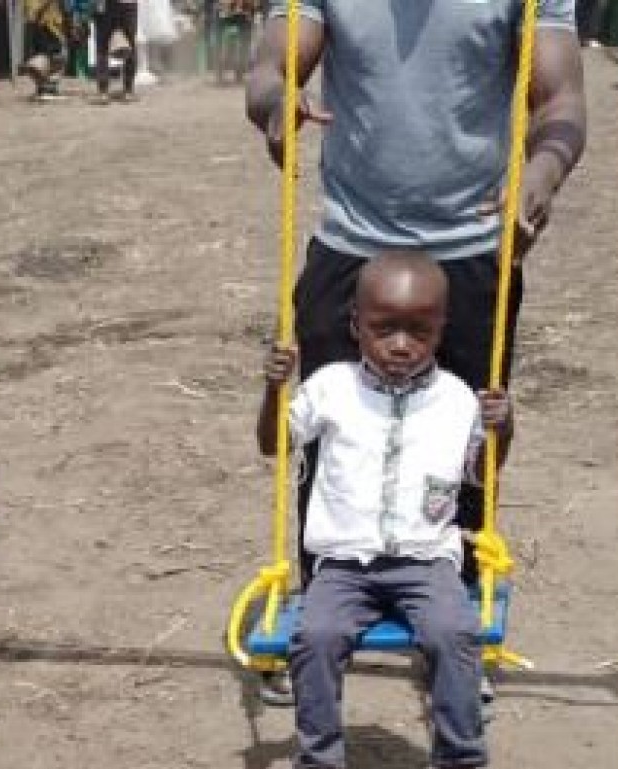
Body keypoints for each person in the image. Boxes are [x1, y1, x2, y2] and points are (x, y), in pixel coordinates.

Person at [246, 0, 585, 594]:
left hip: (470, 252)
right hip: (351, 248)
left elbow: (561, 102)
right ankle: (330, 606)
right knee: (333, 447)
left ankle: (451, 611)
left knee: (463, 453)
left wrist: (541, 173)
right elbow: (272, 67)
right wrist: (277, 102)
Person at [257, 251, 513, 769]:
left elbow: (483, 475)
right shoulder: (330, 388)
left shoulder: (459, 399)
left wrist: (504, 428)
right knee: (314, 637)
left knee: (454, 633)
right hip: (344, 565)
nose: (401, 345)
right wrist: (274, 390)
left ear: (441, 329)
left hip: (426, 562)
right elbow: (274, 445)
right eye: (384, 329)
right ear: (356, 325)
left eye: (419, 331)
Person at [93, 0, 138, 102]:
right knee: (130, 45)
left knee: (102, 47)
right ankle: (128, 91)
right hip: (127, 4)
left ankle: (103, 92)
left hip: (107, 5)